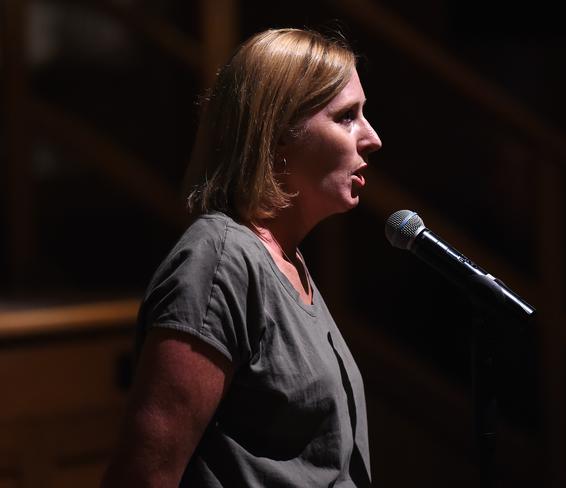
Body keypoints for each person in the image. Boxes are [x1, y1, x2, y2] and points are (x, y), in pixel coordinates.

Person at [102, 27, 382, 487]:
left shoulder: (289, 261)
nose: (371, 138)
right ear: (277, 132)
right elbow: (143, 476)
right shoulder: (220, 261)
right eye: (347, 116)